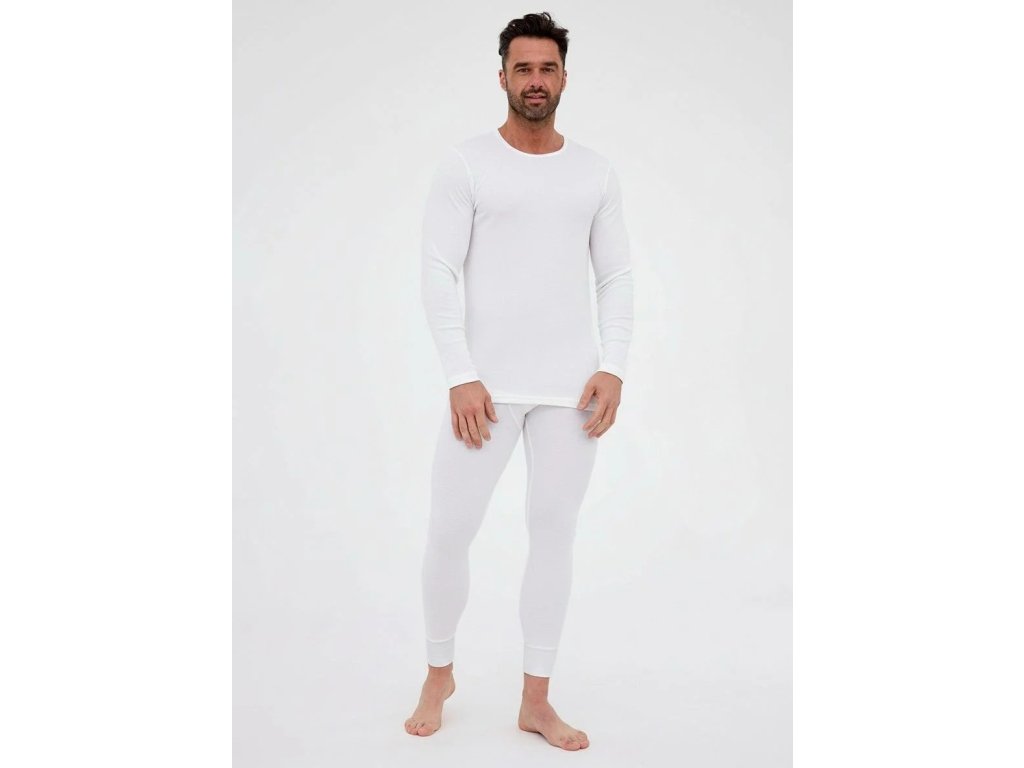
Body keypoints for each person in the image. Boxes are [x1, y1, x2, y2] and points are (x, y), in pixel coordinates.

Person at [405, 12, 634, 752]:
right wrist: (461, 374)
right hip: (486, 392)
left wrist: (613, 364)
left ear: (564, 78)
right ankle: (439, 673)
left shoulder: (595, 172)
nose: (536, 81)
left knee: (553, 533)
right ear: (502, 75)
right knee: (450, 531)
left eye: (547, 68)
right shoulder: (467, 165)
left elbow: (616, 275)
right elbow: (438, 270)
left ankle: (536, 700)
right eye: (523, 68)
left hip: (571, 393)